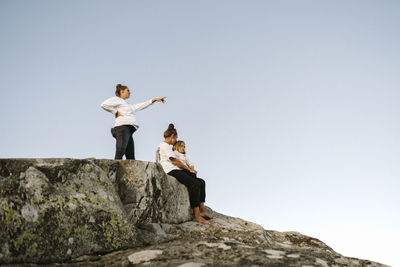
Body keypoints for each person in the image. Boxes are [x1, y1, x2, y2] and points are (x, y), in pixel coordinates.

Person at [157, 124, 213, 225]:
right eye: (176, 138)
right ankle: (197, 216)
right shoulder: (164, 145)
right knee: (194, 183)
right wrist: (188, 169)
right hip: (170, 170)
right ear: (172, 136)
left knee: (201, 182)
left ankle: (202, 210)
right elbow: (174, 161)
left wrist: (190, 170)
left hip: (174, 169)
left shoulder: (166, 146)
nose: (176, 140)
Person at [101, 84, 166, 160]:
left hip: (129, 131)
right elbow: (104, 104)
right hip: (122, 128)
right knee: (120, 152)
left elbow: (140, 105)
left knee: (131, 157)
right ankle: (115, 170)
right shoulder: (117, 99)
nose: (130, 92)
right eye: (128, 90)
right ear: (122, 91)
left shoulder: (128, 105)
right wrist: (115, 112)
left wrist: (153, 100)